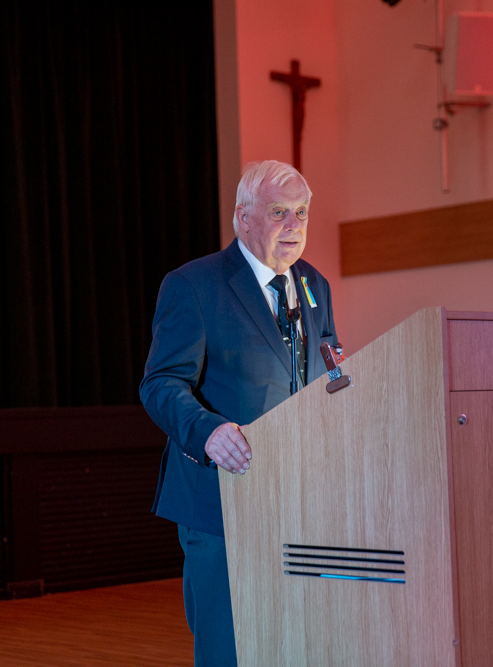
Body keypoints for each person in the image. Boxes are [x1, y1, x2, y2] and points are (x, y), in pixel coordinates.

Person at [140, 160, 339, 667]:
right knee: (229, 651)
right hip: (222, 501)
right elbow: (161, 383)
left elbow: (330, 371)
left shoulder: (314, 285)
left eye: (301, 212)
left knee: (296, 645)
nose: (294, 225)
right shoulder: (194, 285)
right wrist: (207, 432)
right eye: (279, 212)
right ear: (242, 217)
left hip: (301, 502)